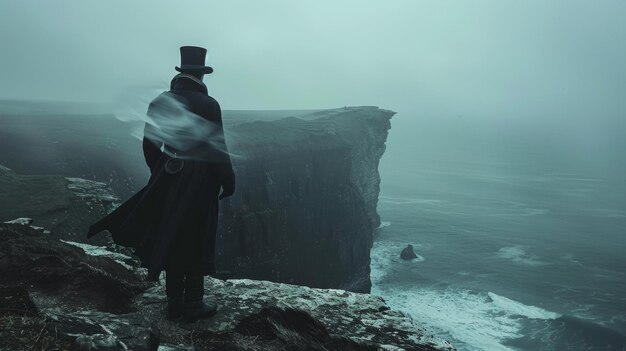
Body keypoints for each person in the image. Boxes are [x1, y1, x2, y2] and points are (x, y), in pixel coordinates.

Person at [87, 46, 236, 322]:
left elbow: (150, 144)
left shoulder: (159, 102)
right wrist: (228, 181)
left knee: (173, 232)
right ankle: (193, 303)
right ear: (200, 76)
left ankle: (174, 302)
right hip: (202, 181)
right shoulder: (209, 104)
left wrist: (163, 172)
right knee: (196, 236)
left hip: (169, 174)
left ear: (181, 74)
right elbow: (217, 149)